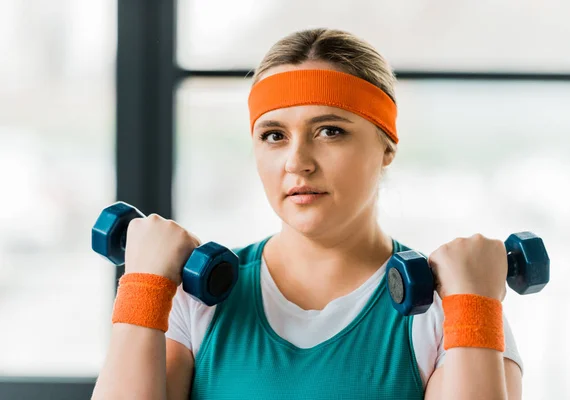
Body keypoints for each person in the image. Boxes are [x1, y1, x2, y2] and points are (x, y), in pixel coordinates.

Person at [92, 28, 523, 399]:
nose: (297, 161)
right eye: (274, 135)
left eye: (330, 131)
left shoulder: (453, 309)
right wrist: (143, 288)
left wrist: (473, 307)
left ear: (387, 146)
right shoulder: (192, 301)